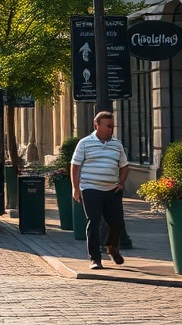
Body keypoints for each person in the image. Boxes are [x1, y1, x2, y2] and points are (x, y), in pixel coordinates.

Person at [71, 111, 129, 270]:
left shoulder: (117, 144)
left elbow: (124, 166)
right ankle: (95, 259)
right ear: (96, 125)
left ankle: (111, 247)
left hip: (112, 190)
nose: (111, 129)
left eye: (112, 126)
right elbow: (75, 166)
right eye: (108, 125)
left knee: (116, 222)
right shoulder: (84, 143)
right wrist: (76, 188)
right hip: (91, 189)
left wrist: (121, 182)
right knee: (94, 222)